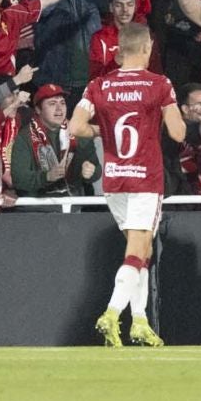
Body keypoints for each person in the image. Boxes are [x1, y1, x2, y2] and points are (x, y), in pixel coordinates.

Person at [72, 22, 186, 347]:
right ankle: (111, 313)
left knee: (141, 251)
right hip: (145, 179)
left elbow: (75, 126)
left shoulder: (99, 85)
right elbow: (178, 133)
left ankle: (140, 321)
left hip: (114, 180)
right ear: (148, 48)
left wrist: (99, 132)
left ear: (119, 50)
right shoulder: (159, 84)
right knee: (137, 252)